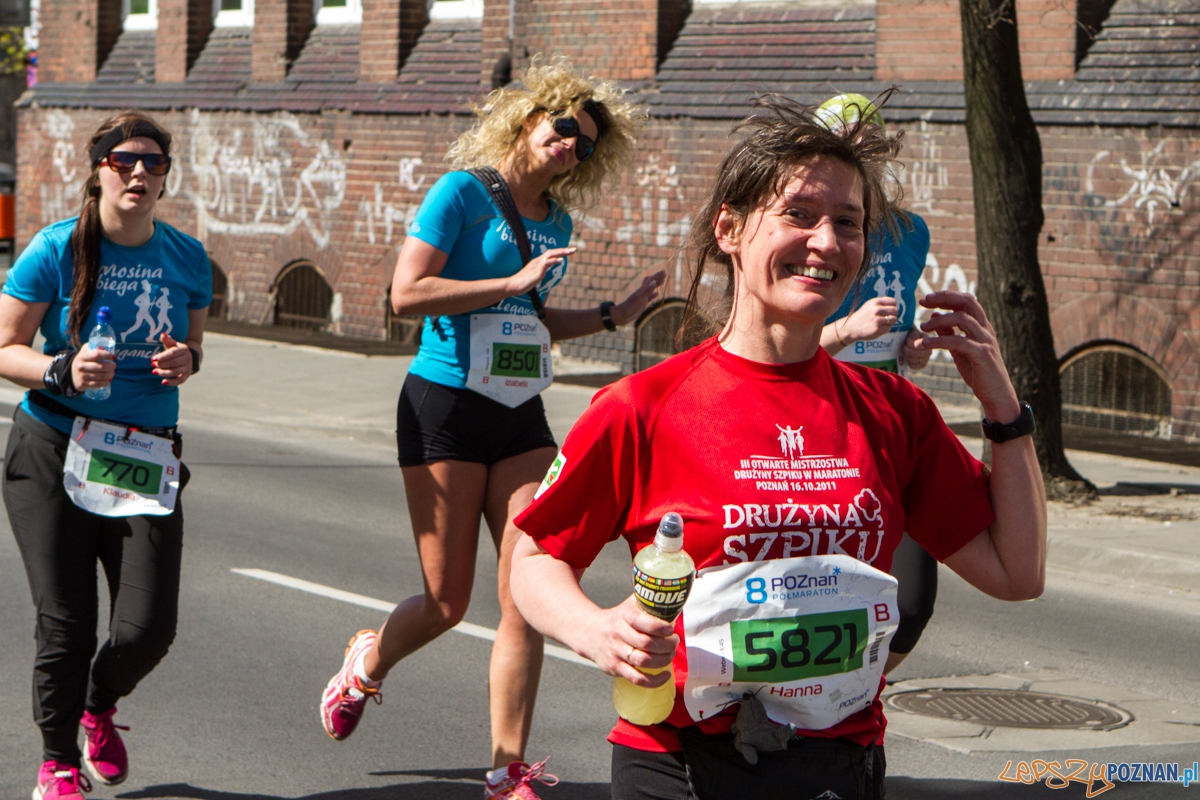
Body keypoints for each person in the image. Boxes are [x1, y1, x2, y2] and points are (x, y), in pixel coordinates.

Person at [508, 95, 1046, 799]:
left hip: (838, 763)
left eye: (847, 224)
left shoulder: (895, 412)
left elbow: (1017, 571)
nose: (827, 242)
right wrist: (598, 629)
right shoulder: (642, 407)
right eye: (799, 214)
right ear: (729, 229)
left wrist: (1004, 411)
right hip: (680, 762)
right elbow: (534, 557)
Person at [318, 57, 664, 799]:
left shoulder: (559, 222)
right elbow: (406, 294)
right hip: (442, 405)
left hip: (520, 414)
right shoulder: (461, 195)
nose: (572, 145)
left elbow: (530, 321)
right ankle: (366, 664)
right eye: (566, 127)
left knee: (527, 594)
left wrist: (614, 314)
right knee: (447, 603)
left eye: (588, 143)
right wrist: (507, 283)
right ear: (532, 117)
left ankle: (508, 769)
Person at [0, 111, 210, 800]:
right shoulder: (55, 251)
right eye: (125, 161)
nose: (140, 173)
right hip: (54, 447)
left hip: (144, 457)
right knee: (66, 620)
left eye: (153, 164)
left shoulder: (186, 258)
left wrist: (188, 359)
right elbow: (5, 348)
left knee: (148, 629)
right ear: (98, 169)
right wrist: (60, 370)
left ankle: (98, 705)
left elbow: (194, 346)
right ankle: (57, 759)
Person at [815, 93, 939, 674]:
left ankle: (860, 691)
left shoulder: (911, 232)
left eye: (866, 141)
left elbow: (902, 324)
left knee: (911, 600)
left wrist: (911, 344)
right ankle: (813, 712)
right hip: (817, 419)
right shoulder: (812, 230)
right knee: (824, 593)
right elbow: (767, 345)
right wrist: (845, 328)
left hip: (887, 415)